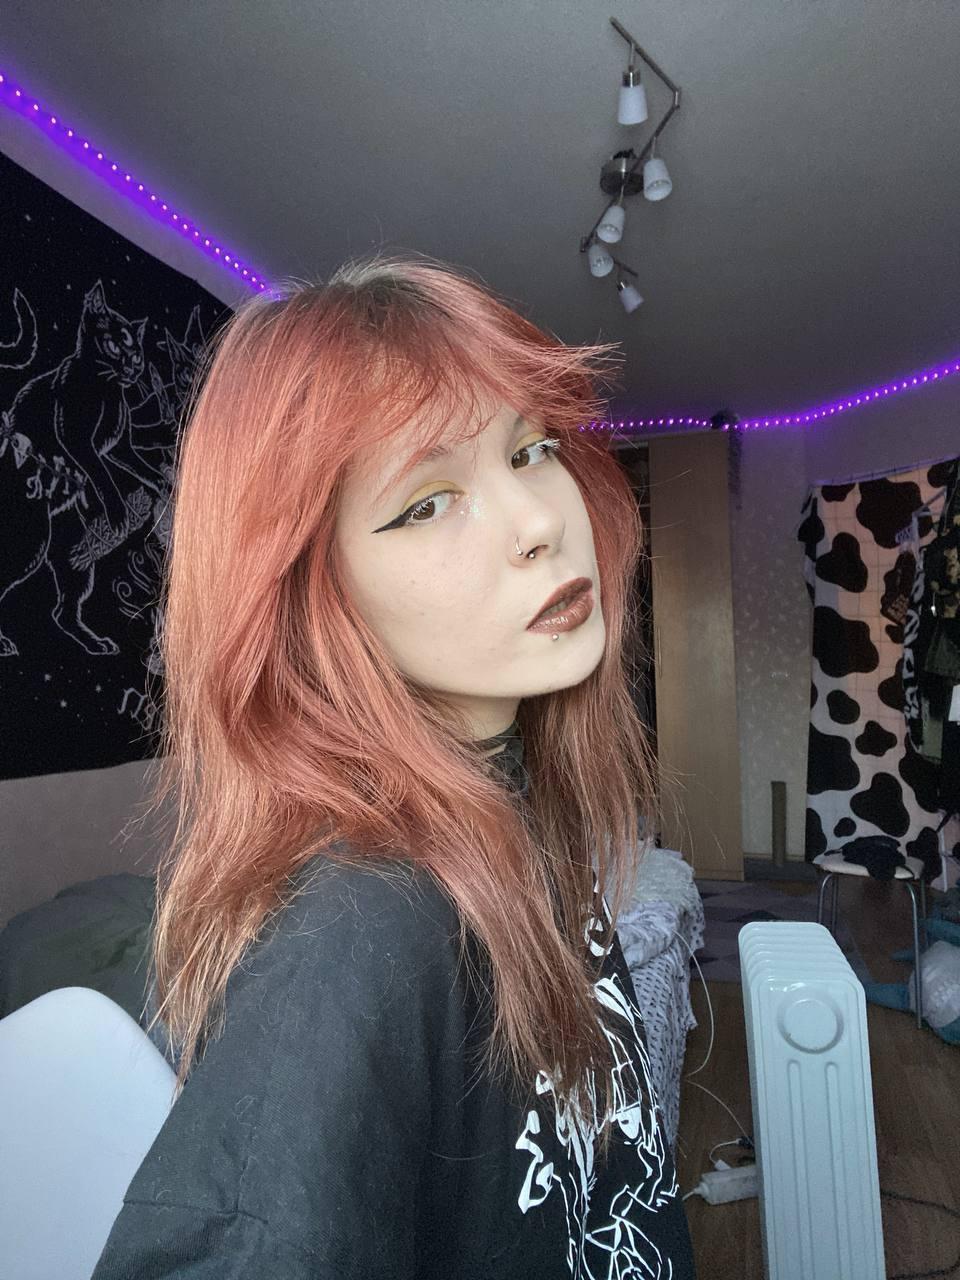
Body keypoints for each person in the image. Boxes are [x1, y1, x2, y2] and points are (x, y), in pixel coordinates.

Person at [91, 252, 696, 1278]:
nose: (542, 523)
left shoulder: (517, 796)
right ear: (311, 599)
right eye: (427, 501)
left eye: (532, 449)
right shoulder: (363, 922)